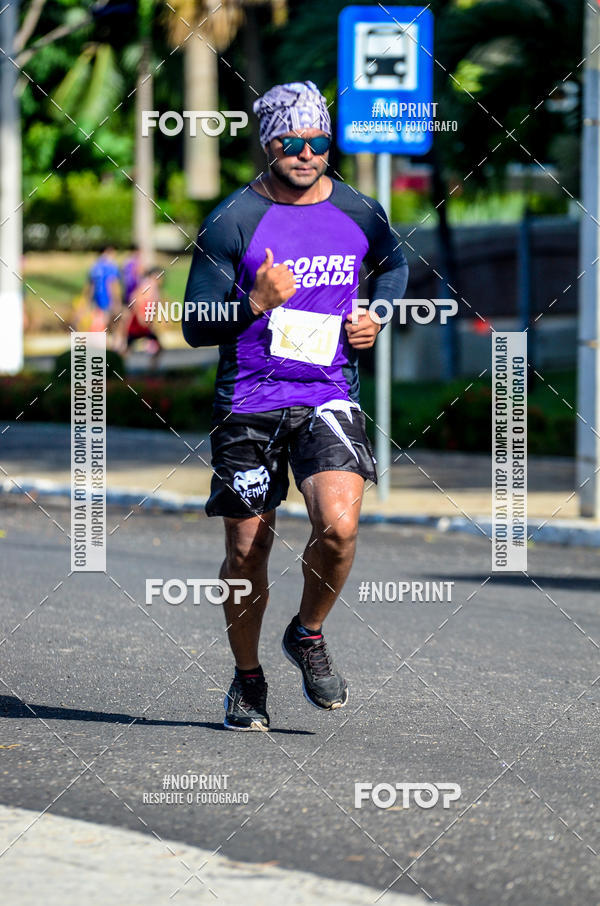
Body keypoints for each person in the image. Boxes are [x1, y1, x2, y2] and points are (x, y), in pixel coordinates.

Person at [183, 81, 408, 731]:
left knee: (339, 527)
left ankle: (307, 633)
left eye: (318, 141)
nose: (307, 153)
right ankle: (247, 681)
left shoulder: (360, 211)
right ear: (267, 142)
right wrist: (253, 302)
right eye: (291, 141)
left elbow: (393, 266)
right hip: (248, 401)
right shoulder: (233, 221)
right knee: (248, 549)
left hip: (327, 393)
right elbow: (195, 323)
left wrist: (378, 315)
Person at [124, 267, 163, 364]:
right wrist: (140, 316)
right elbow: (136, 299)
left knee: (129, 347)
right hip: (139, 324)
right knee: (128, 347)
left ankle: (151, 367)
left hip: (143, 324)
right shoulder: (149, 285)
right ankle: (122, 367)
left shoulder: (152, 286)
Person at [86, 246, 122, 331]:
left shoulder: (94, 266)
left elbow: (91, 286)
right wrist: (117, 301)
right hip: (107, 299)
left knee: (97, 322)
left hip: (96, 300)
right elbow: (113, 284)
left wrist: (88, 301)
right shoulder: (111, 266)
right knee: (112, 323)